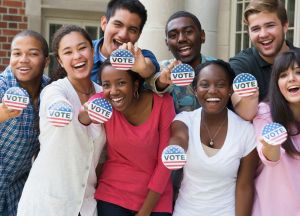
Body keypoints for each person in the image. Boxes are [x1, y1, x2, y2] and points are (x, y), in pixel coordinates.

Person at [17, 25, 106, 216]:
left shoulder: (104, 93)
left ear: (92, 50)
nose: (77, 56)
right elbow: (56, 104)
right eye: (68, 52)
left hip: (86, 205)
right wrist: (70, 111)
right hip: (46, 205)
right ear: (60, 61)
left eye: (82, 48)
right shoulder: (54, 91)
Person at [79, 60, 175, 216]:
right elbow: (84, 116)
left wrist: (144, 212)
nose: (113, 91)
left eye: (121, 83)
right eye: (106, 85)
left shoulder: (163, 103)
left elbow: (166, 162)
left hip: (156, 197)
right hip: (113, 194)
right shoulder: (103, 101)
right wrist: (86, 111)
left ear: (136, 84)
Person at [170, 60, 258, 216]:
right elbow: (179, 138)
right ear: (195, 90)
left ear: (230, 90)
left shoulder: (246, 131)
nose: (212, 90)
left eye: (220, 85)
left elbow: (244, 187)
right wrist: (175, 149)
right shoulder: (185, 120)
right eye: (204, 85)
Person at [0, 30, 49, 216]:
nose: (23, 59)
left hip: (16, 191)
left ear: (46, 60)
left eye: (33, 53)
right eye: (17, 53)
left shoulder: (50, 91)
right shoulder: (3, 86)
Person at [229, 0, 300, 120]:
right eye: (255, 29)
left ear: (285, 26)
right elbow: (245, 113)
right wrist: (250, 98)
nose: (263, 34)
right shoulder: (241, 65)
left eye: (270, 26)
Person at [252, 50, 300, 216]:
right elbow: (271, 157)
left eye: (298, 72)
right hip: (270, 210)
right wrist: (271, 144)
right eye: (284, 75)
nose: (292, 79)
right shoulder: (265, 113)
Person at [147, 11, 215, 113]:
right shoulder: (160, 68)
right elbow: (144, 85)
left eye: (188, 32)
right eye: (173, 35)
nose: (181, 39)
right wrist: (161, 83)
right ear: (167, 43)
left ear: (202, 36)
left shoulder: (218, 68)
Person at [91, 0, 160, 84]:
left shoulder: (140, 56)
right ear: (104, 23)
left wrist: (142, 68)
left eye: (132, 30)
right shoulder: (84, 50)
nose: (123, 35)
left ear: (138, 35)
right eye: (118, 24)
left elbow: (148, 67)